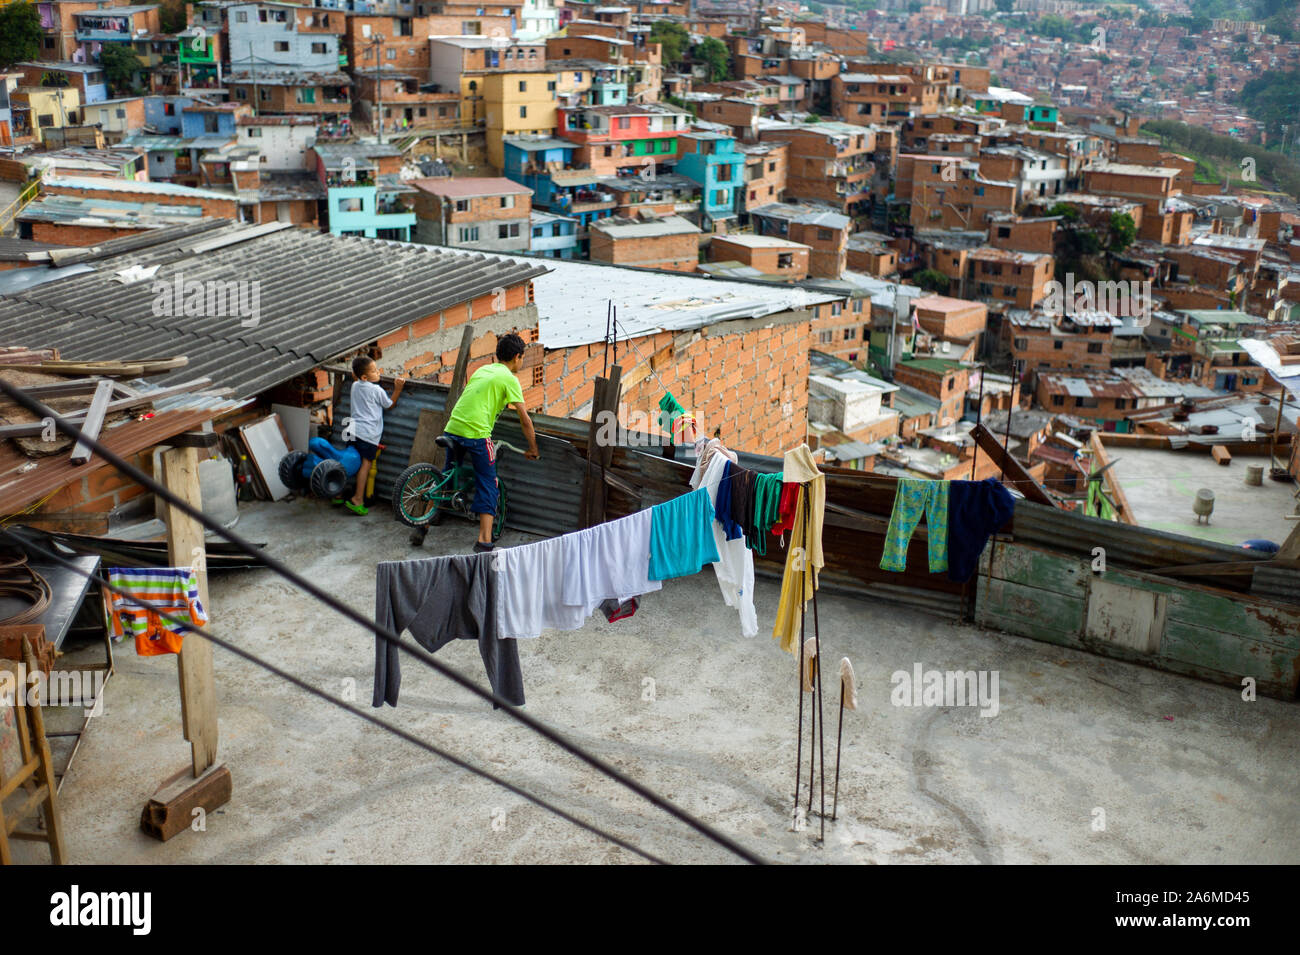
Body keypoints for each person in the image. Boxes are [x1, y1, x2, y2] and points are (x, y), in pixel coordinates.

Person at [443, 332, 539, 551]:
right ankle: (484, 541)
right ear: (517, 356)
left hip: (452, 427)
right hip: (476, 434)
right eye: (522, 358)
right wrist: (533, 448)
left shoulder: (482, 370)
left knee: (445, 475)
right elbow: (525, 419)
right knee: (488, 483)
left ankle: (423, 525)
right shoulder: (509, 379)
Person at [344, 356, 405, 516]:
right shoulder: (377, 390)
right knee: (365, 465)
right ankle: (358, 498)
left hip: (352, 430)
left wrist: (357, 375)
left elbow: (355, 377)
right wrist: (397, 389)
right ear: (364, 377)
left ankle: (338, 493)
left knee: (348, 461)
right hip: (368, 435)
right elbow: (389, 405)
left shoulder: (355, 386)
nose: (378, 372)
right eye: (374, 371)